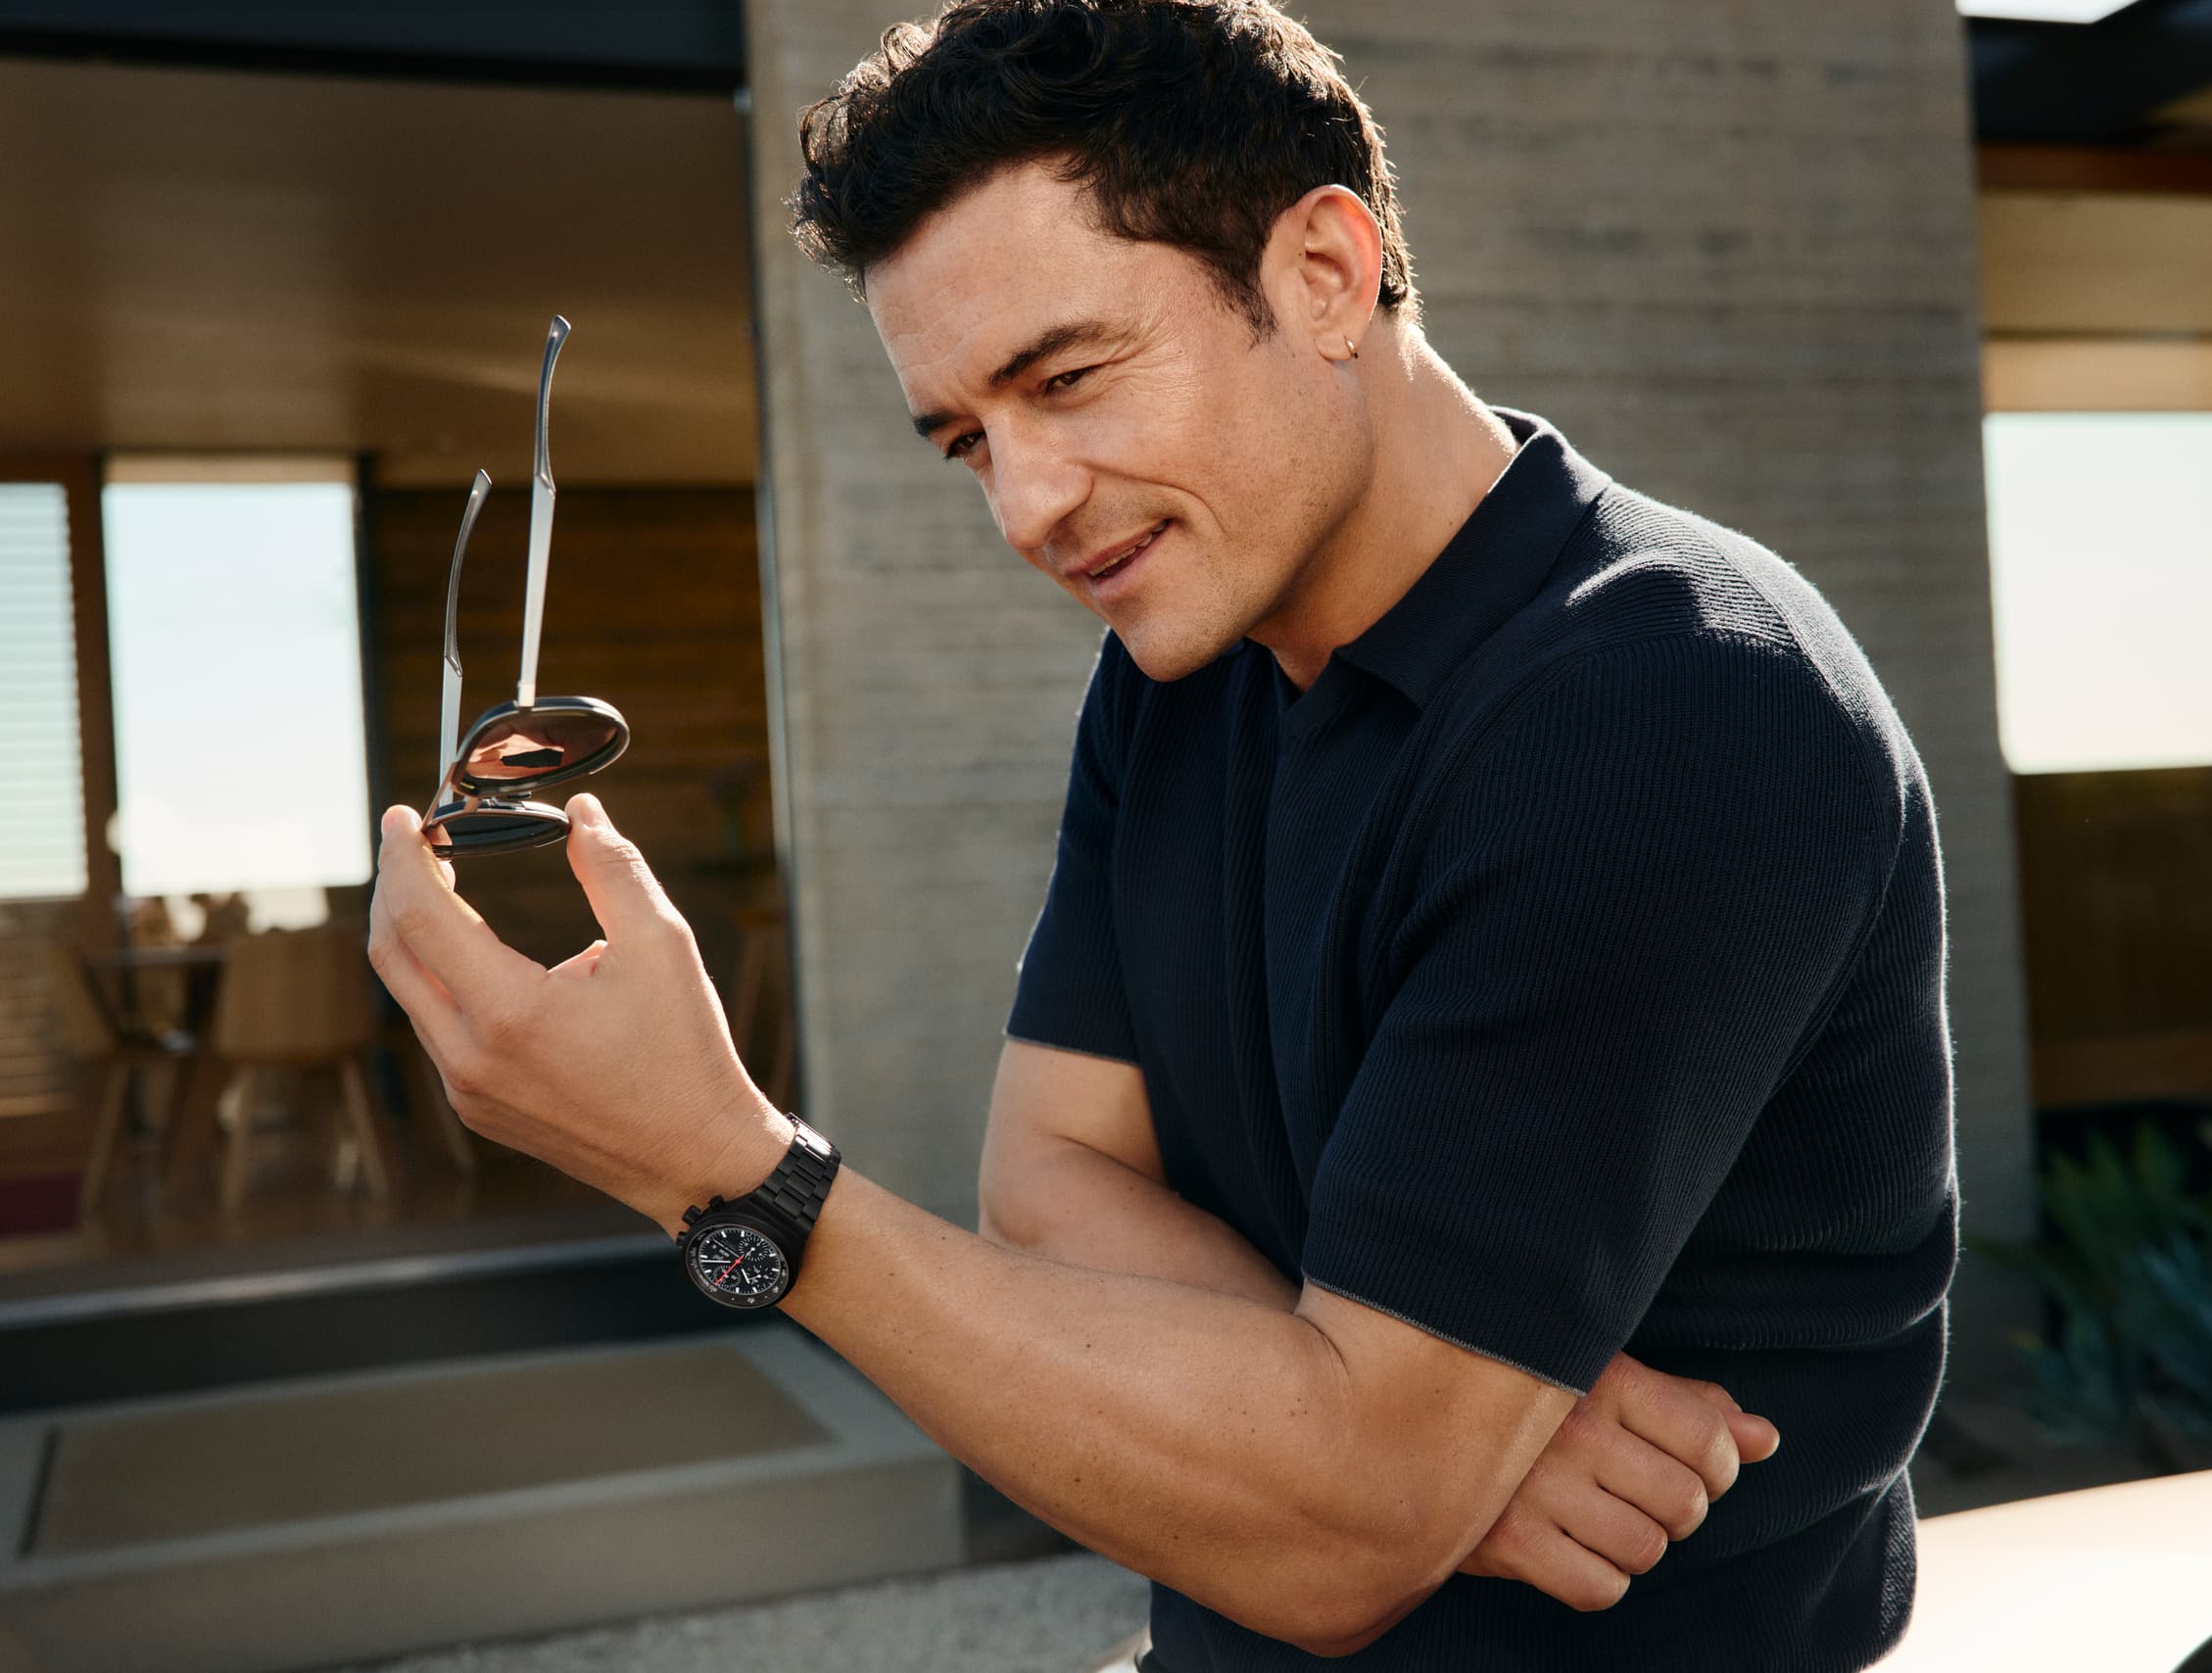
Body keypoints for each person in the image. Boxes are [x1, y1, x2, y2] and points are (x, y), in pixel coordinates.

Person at [366, 2, 1958, 1666]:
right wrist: (1408, 1437)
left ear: (1325, 276)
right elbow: (1044, 1189)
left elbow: (1337, 1543)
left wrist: (730, 1175)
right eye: (970, 436)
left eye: (1068, 378)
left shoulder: (1666, 708)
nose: (1028, 505)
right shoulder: (1182, 670)